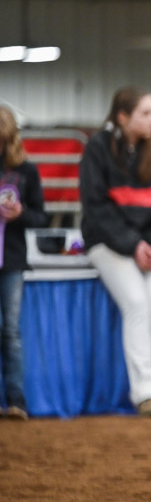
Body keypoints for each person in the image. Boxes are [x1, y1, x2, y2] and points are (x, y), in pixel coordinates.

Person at [80, 86, 151, 417]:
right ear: (122, 117)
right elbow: (96, 207)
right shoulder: (97, 150)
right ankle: (145, 393)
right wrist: (133, 244)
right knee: (138, 304)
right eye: (145, 113)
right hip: (110, 245)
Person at [0, 105, 47, 420]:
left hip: (12, 261)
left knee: (10, 332)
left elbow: (41, 216)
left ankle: (17, 400)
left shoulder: (27, 171)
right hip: (13, 262)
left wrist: (20, 215)